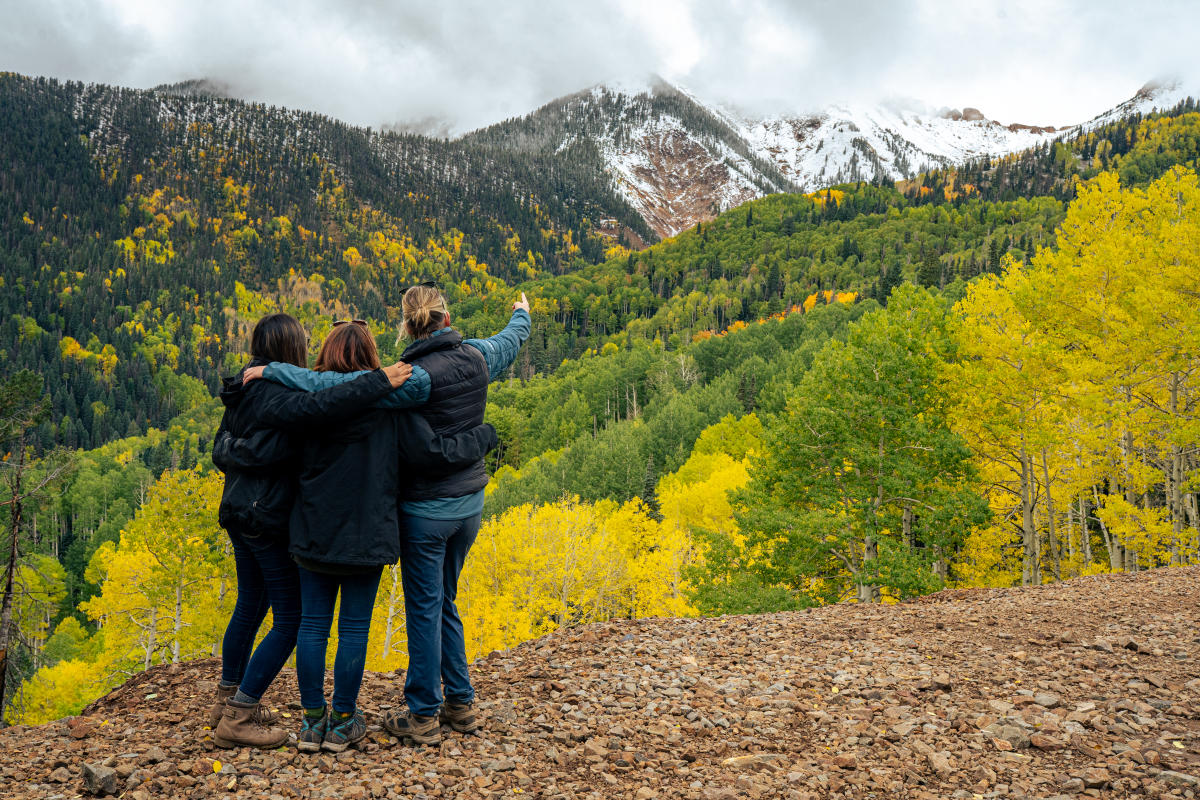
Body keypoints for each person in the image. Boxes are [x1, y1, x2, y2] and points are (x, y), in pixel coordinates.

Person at [251, 287, 530, 746]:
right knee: (446, 600)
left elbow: (335, 388)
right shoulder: (479, 358)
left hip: (425, 511)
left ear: (407, 324)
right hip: (470, 503)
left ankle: (421, 712)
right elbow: (510, 339)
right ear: (445, 318)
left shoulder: (411, 379)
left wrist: (273, 370)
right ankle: (459, 703)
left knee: (421, 607)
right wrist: (522, 314)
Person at [210, 313, 411, 749]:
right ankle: (338, 722)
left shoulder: (272, 397)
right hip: (358, 532)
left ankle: (306, 720)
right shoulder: (379, 408)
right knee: (339, 627)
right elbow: (408, 455)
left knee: (306, 623)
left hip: (303, 528)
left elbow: (314, 414)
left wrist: (229, 450)